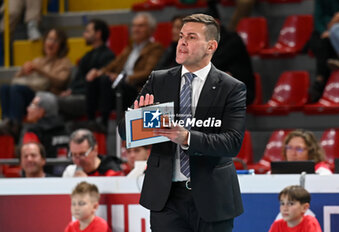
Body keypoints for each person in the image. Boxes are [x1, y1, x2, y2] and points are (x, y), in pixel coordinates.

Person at [119, 13, 246, 231]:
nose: (183, 42)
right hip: (166, 197)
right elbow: (124, 132)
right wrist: (136, 119)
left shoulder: (231, 88)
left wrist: (186, 137)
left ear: (211, 46)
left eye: (192, 37)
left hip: (212, 196)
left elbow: (232, 143)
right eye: (181, 36)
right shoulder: (158, 80)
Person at [86, 13, 164, 120]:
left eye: (141, 26)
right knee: (96, 79)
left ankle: (103, 122)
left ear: (151, 30)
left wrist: (123, 78)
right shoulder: (129, 48)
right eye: (134, 26)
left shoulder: (156, 48)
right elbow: (114, 64)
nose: (136, 29)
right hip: (120, 85)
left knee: (106, 81)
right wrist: (98, 72)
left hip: (137, 89)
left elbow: (148, 72)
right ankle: (91, 120)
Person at [0, 28, 71, 139]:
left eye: (55, 40)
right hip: (28, 94)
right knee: (5, 88)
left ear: (61, 45)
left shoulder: (63, 62)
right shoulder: (38, 60)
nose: (51, 43)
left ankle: (15, 124)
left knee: (17, 89)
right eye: (49, 39)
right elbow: (15, 79)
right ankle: (7, 121)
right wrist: (23, 71)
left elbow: (61, 81)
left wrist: (40, 70)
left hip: (44, 96)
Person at [58, 19, 115, 121]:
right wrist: (69, 90)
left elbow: (96, 85)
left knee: (53, 102)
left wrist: (73, 91)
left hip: (89, 99)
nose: (84, 34)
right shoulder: (87, 56)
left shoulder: (108, 56)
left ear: (98, 34)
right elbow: (77, 78)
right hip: (77, 95)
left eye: (88, 31)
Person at [306, 0, 339, 102]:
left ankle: (320, 80)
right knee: (322, 41)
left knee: (335, 31)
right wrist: (325, 31)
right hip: (329, 29)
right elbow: (318, 20)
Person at [22, 91, 69, 159]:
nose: (28, 109)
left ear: (41, 111)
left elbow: (28, 159)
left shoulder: (33, 131)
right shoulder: (66, 128)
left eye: (32, 105)